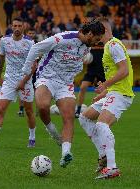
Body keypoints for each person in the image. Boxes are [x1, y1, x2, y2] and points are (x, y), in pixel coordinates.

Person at [21, 19, 105, 168]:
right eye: (97, 39)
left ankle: (66, 153)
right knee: (42, 106)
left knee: (69, 117)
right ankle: (52, 130)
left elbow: (78, 60)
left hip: (65, 84)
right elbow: (36, 49)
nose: (97, 43)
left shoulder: (86, 47)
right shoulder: (62, 38)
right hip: (46, 77)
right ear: (90, 33)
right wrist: (26, 69)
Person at [78, 17, 134, 179]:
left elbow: (124, 71)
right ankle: (103, 155)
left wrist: (105, 85)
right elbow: (118, 73)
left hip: (121, 94)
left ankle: (112, 167)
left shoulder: (113, 45)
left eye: (95, 30)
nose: (93, 34)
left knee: (102, 125)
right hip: (113, 92)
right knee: (85, 117)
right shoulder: (110, 46)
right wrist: (104, 92)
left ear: (102, 29)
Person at [0, 17, 36, 148]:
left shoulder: (30, 43)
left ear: (23, 27)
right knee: (0, 108)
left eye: (19, 26)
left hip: (26, 80)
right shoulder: (5, 41)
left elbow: (34, 65)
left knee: (28, 111)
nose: (17, 28)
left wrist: (24, 81)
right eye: (15, 26)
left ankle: (32, 137)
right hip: (9, 80)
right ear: (11, 27)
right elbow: (1, 58)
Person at [75, 46, 105, 118]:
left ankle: (101, 111)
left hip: (102, 68)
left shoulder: (105, 40)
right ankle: (78, 110)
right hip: (91, 69)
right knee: (83, 87)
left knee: (102, 91)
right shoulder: (91, 40)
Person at [17, 27, 36, 117]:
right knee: (21, 88)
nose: (31, 35)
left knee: (36, 90)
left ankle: (34, 109)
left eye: (33, 33)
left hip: (34, 70)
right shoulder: (22, 43)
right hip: (24, 71)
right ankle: (21, 109)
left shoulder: (35, 44)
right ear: (26, 34)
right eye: (30, 33)